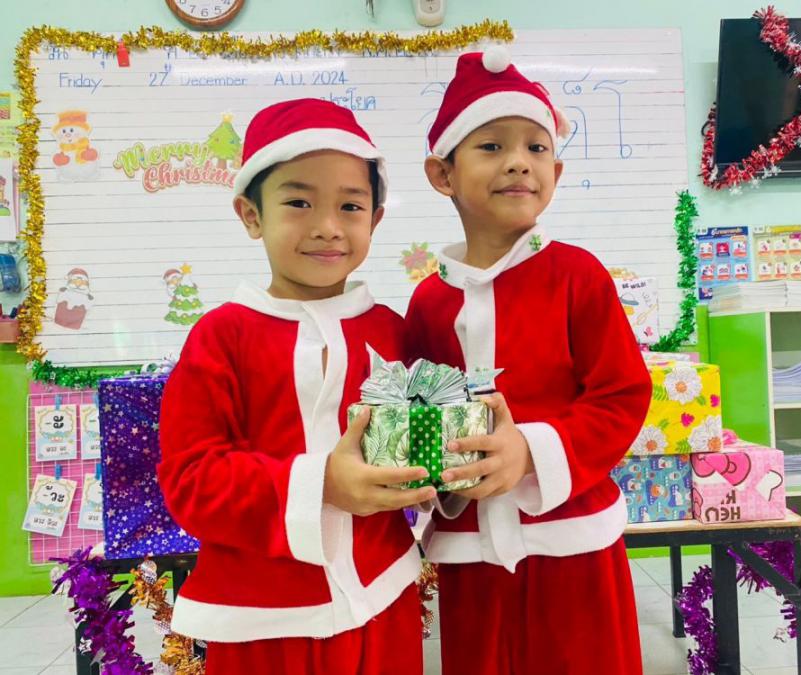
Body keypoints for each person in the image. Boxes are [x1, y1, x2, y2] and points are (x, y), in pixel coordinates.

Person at [158, 98, 434, 675]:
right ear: (251, 214)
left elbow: (417, 435)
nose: (327, 226)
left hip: (385, 596)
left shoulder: (391, 330)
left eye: (350, 205)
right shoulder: (221, 337)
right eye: (299, 202)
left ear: (375, 219)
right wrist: (322, 484)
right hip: (263, 619)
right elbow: (190, 479)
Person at [406, 48, 653, 674]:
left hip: (573, 540)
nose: (519, 161)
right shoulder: (429, 301)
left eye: (536, 148)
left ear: (556, 171)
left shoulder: (578, 276)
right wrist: (442, 477)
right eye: (491, 146)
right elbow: (418, 414)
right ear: (443, 174)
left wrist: (532, 452)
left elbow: (621, 395)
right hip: (470, 550)